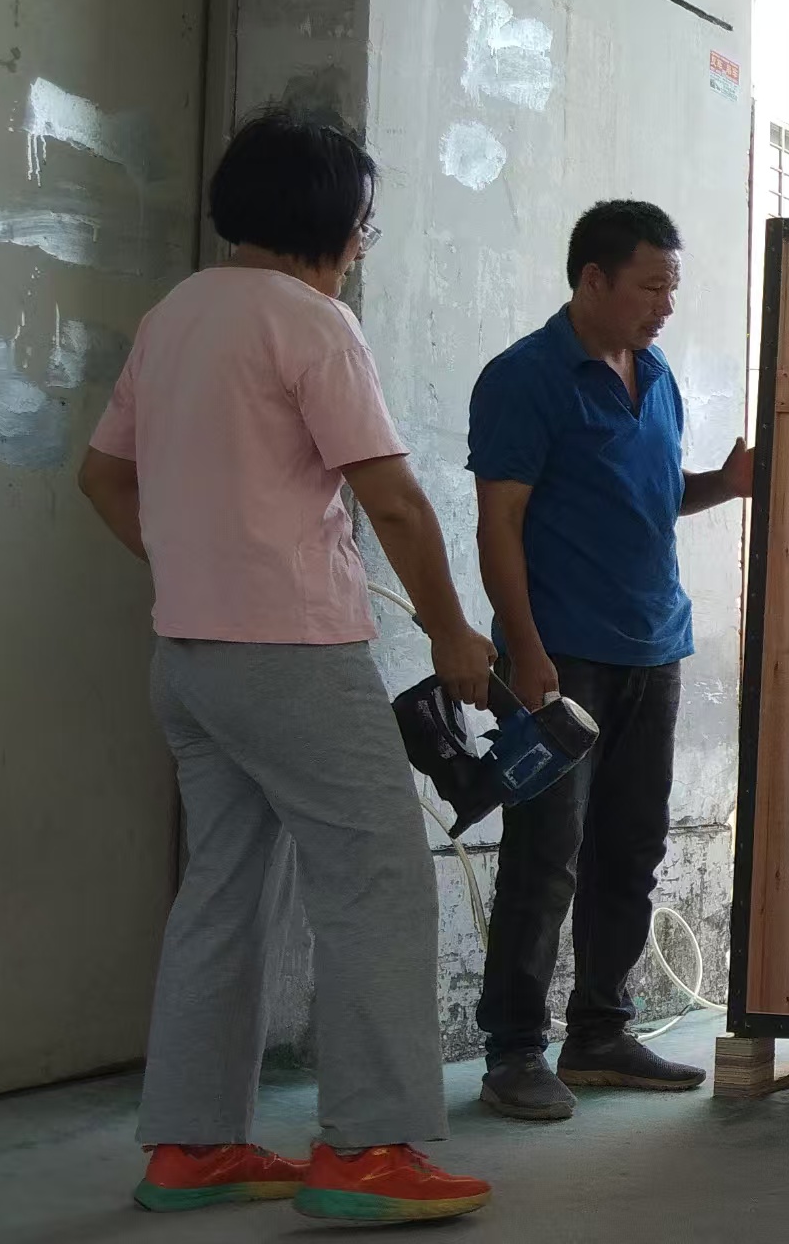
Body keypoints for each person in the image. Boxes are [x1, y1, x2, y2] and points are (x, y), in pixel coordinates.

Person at [76, 107, 496, 1219]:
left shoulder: (174, 316)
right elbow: (391, 498)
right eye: (365, 223)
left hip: (190, 658)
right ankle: (369, 1148)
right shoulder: (312, 323)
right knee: (377, 879)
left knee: (222, 887)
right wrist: (453, 631)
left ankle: (192, 1144)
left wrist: (192, 565)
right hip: (294, 655)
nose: (363, 242)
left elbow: (102, 478)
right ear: (333, 221)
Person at [465, 199, 753, 1120]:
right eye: (650, 286)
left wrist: (726, 485)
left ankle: (599, 1031)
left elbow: (654, 496)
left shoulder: (654, 374)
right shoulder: (526, 377)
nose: (665, 304)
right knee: (546, 854)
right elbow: (499, 523)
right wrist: (525, 650)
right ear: (593, 279)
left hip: (653, 649)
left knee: (630, 848)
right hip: (560, 658)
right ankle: (515, 1049)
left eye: (672, 287)